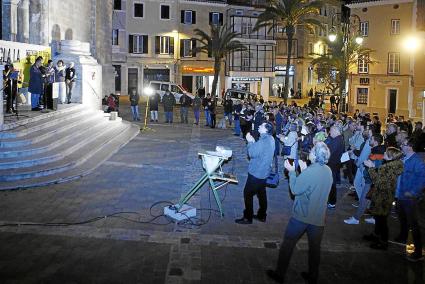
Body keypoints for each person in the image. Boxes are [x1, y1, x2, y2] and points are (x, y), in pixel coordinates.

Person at [267, 142, 333, 284]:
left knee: (288, 244)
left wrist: (291, 172)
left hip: (302, 216)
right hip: (318, 217)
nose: (310, 151)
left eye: (312, 150)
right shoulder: (328, 170)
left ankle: (279, 274)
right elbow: (313, 186)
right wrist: (303, 172)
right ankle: (313, 276)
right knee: (315, 249)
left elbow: (296, 189)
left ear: (315, 155)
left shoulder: (310, 171)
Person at [363, 147, 403, 250]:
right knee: (378, 217)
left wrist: (371, 167)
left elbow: (379, 182)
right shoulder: (392, 166)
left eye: (386, 152)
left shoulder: (388, 168)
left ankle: (383, 242)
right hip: (385, 195)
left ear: (390, 156)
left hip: (383, 197)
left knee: (382, 220)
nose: (384, 153)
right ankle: (376, 235)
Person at [235, 122, 275, 224]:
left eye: (261, 126)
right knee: (261, 193)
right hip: (264, 172)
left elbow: (252, 153)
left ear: (266, 130)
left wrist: (250, 142)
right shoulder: (271, 139)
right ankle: (262, 215)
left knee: (247, 194)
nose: (259, 126)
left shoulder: (263, 142)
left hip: (257, 172)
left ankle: (248, 217)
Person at [395, 137, 425, 262]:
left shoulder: (417, 161)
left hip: (409, 197)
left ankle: (418, 251)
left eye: (403, 144)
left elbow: (422, 178)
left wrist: (412, 192)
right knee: (402, 218)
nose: (401, 146)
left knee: (414, 223)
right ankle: (403, 236)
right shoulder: (403, 158)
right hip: (400, 194)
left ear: (409, 146)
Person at [325, 125, 344, 209]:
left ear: (336, 131)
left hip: (332, 164)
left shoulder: (337, 140)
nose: (330, 132)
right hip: (334, 164)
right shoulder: (338, 139)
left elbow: (329, 152)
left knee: (331, 184)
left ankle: (332, 202)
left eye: (331, 131)